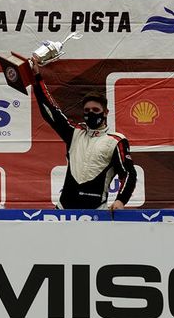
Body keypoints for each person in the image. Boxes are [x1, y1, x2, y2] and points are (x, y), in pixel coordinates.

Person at [31, 58, 136, 210]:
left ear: (105, 113)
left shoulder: (116, 140)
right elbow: (51, 111)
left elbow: (128, 173)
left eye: (95, 110)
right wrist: (37, 78)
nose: (91, 113)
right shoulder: (75, 132)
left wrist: (121, 200)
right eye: (87, 110)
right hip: (64, 211)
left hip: (96, 212)